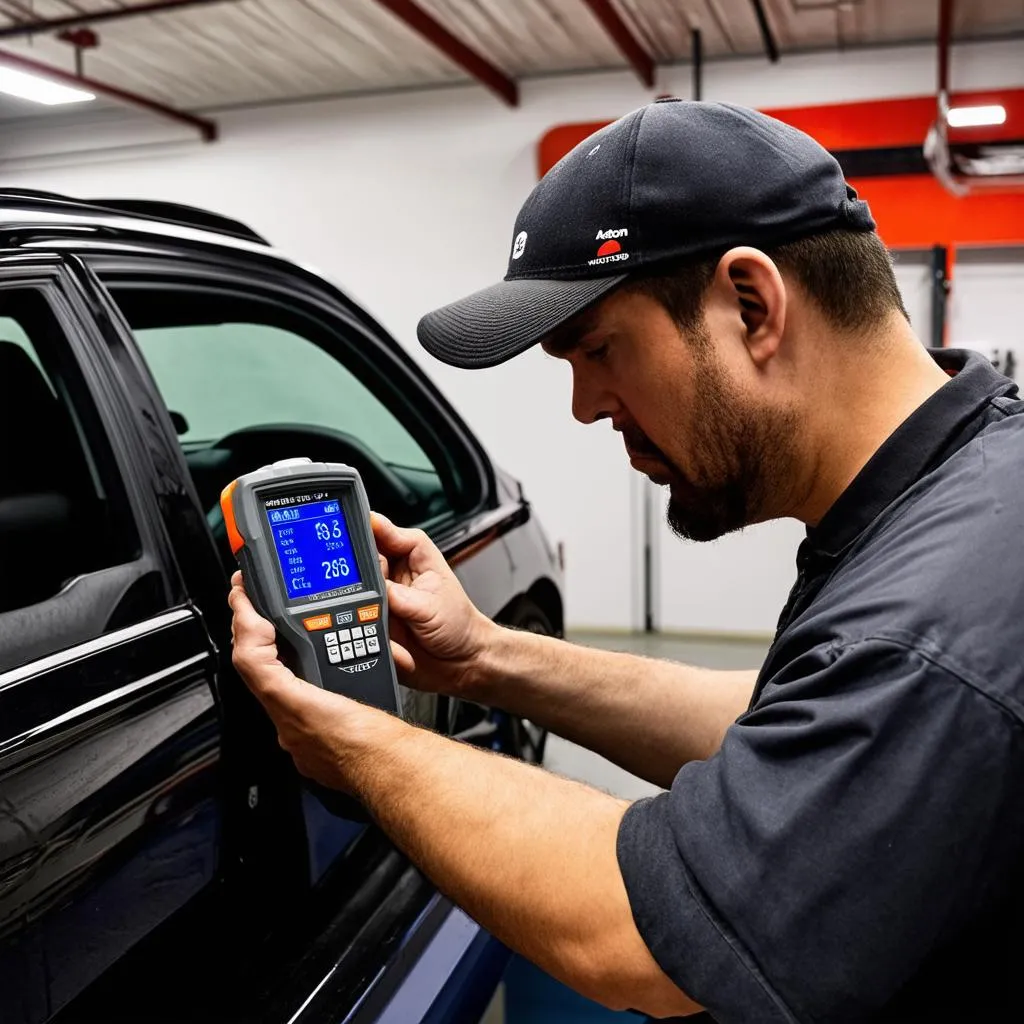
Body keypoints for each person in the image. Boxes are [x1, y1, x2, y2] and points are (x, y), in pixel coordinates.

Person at [229, 100, 1024, 1022]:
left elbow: (636, 930)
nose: (584, 406)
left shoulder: (937, 622)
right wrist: (484, 658)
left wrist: (360, 743)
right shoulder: (965, 478)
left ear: (752, 305)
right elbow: (794, 722)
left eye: (598, 348)